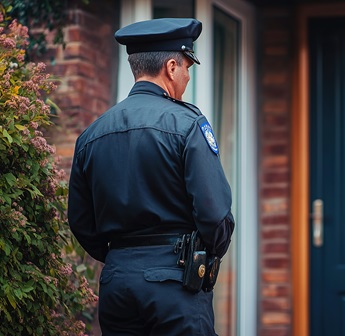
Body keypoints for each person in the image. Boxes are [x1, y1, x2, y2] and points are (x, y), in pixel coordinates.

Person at [67, 18, 235, 335]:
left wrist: (122, 257)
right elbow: (215, 215)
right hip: (176, 282)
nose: (187, 75)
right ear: (171, 67)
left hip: (117, 284)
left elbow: (80, 221)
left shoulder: (92, 134)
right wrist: (205, 254)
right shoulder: (187, 124)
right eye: (187, 67)